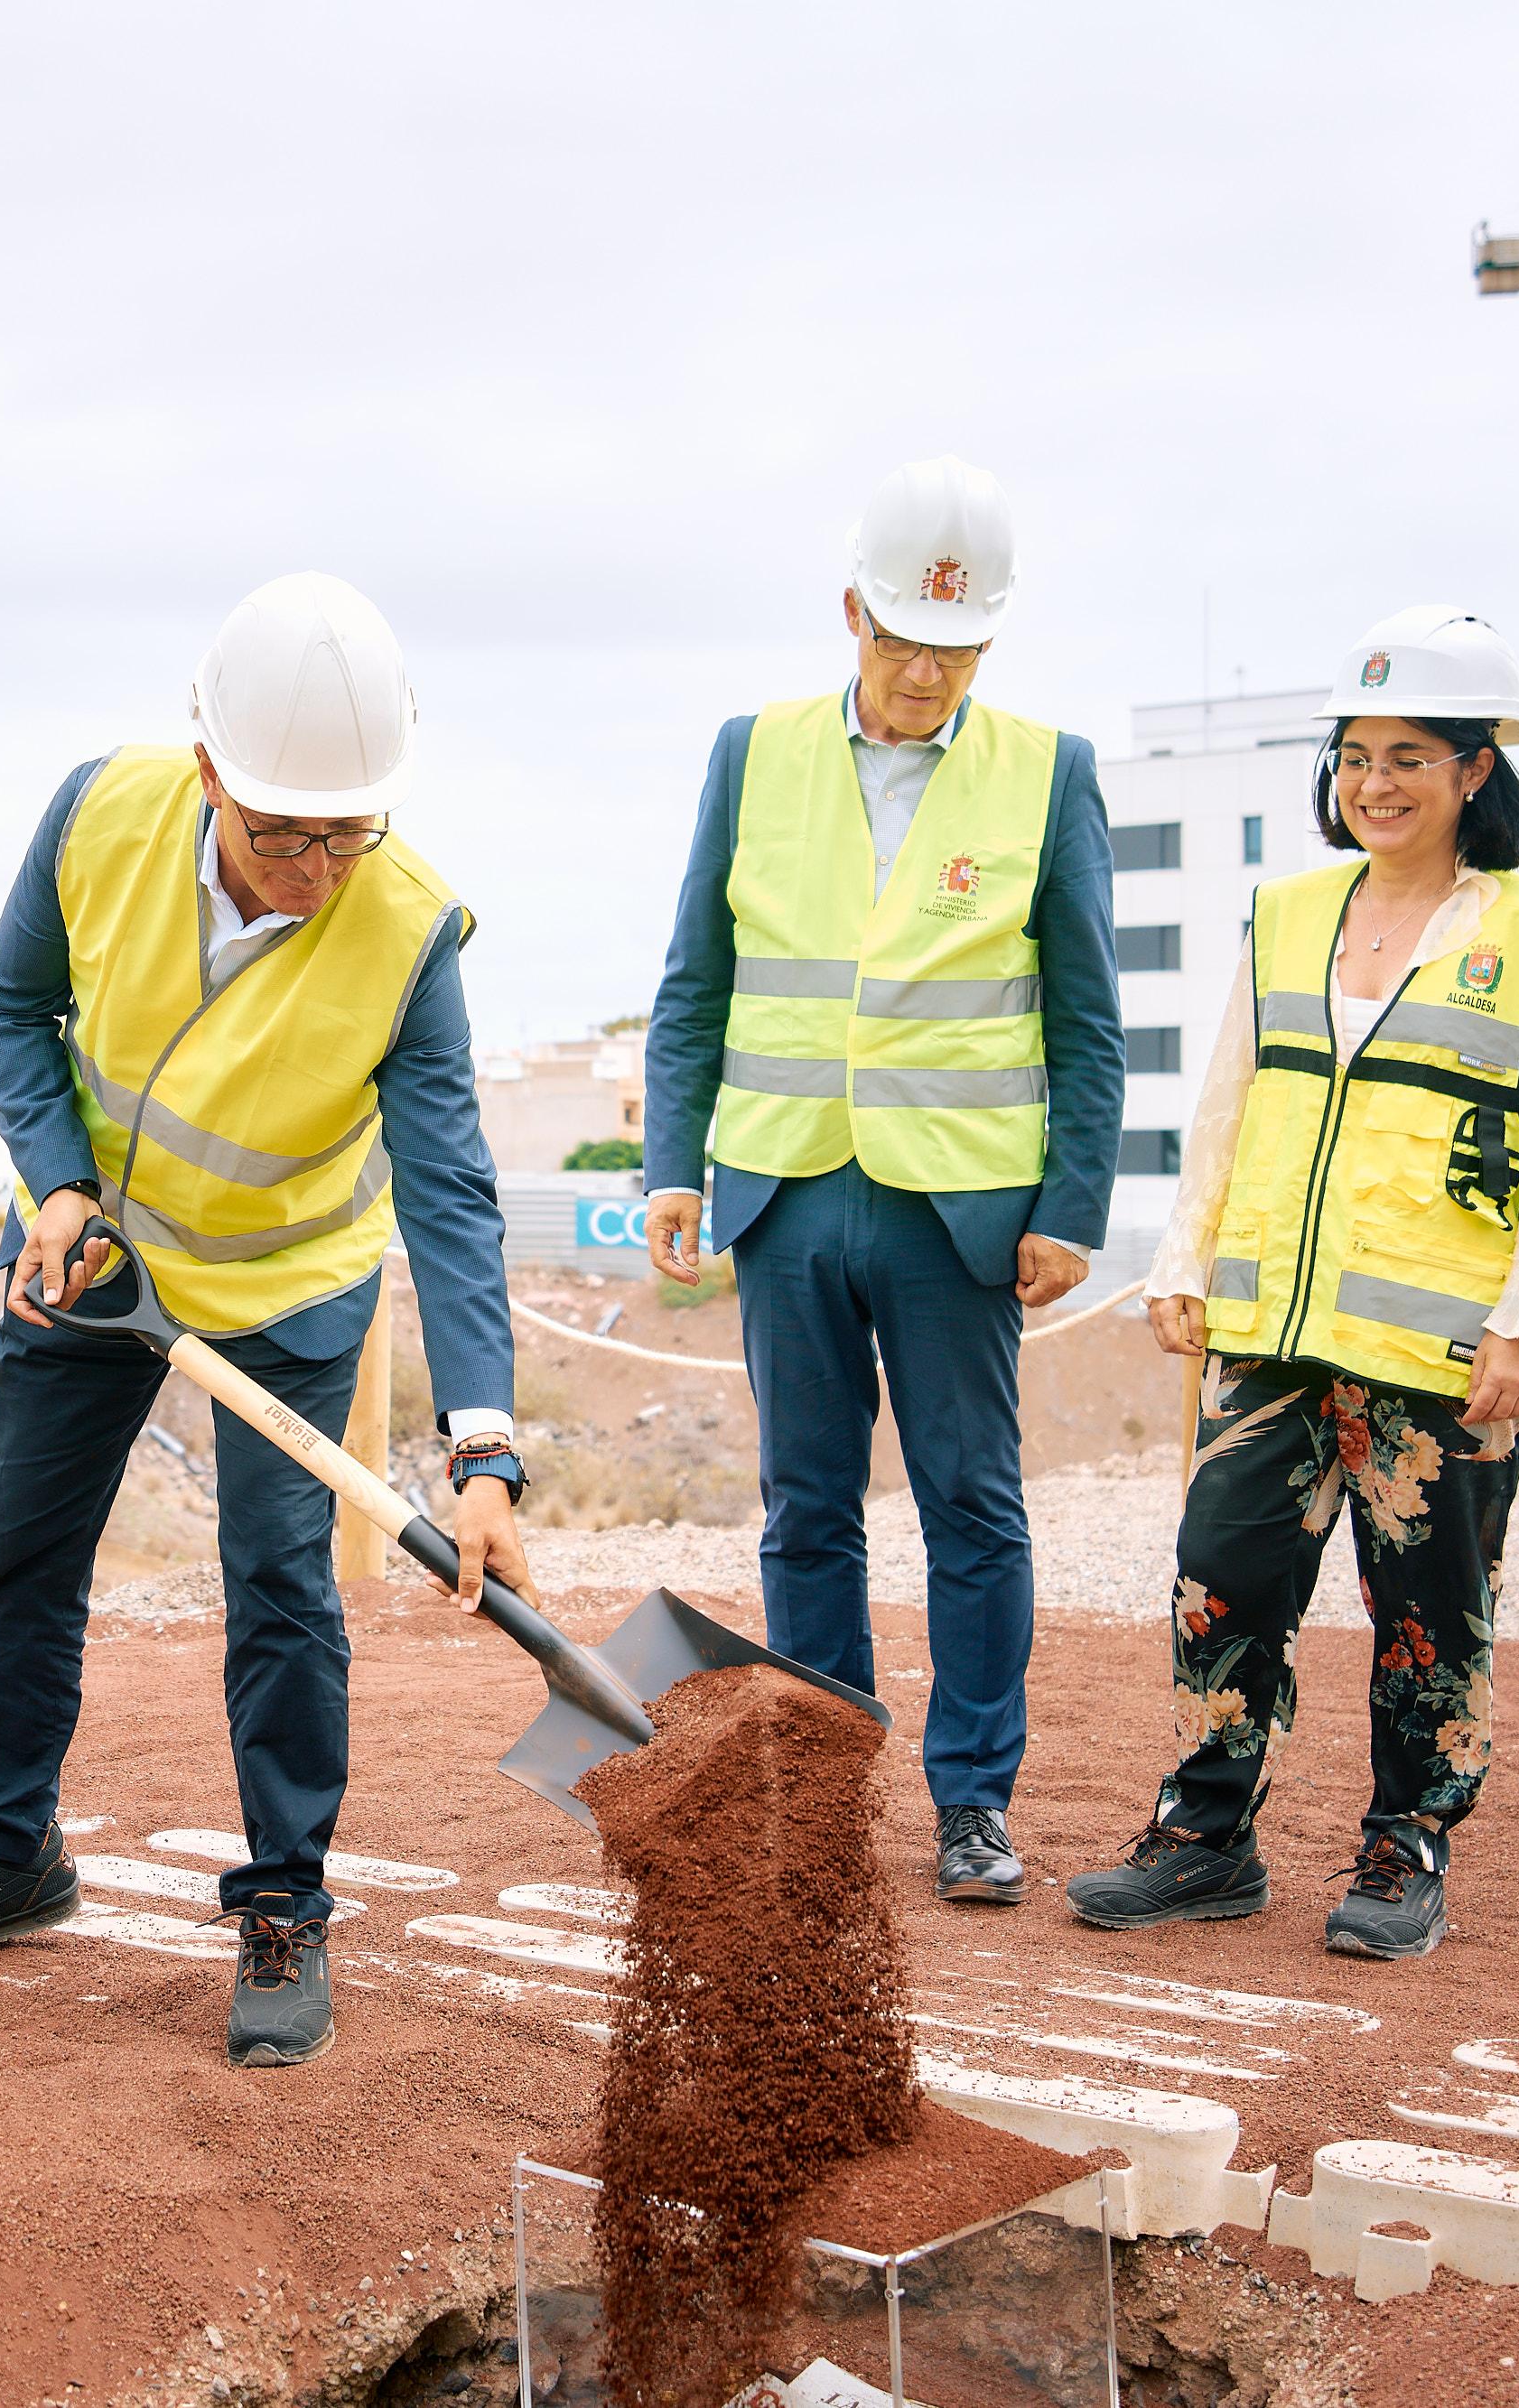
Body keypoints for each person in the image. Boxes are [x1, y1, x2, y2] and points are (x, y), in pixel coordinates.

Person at [0, 572, 536, 2069]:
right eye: (285, 831)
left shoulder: (410, 932)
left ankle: (284, 1899)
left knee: (282, 1590)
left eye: (350, 832)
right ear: (211, 769)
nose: (320, 867)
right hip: (95, 1263)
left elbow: (454, 1192)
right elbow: (15, 1012)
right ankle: (3, 1852)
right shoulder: (100, 818)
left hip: (288, 1289)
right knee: (23, 1558)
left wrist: (484, 1449)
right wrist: (56, 1185)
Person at [1065, 605, 1519, 1961]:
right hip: (1274, 1328)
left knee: (1428, 1612)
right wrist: (1184, 1257)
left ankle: (1404, 1848)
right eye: (1357, 754)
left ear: (1478, 770)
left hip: (1443, 1346)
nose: (1376, 782)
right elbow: (1227, 1102)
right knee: (1220, 1581)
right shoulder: (1291, 912)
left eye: (1411, 755)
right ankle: (1205, 1839)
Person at [642, 456, 1124, 1908]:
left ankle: (973, 1803)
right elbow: (696, 981)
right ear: (851, 613)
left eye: (959, 650)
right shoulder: (753, 751)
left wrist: (1071, 1209)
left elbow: (1086, 1015)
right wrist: (676, 1166)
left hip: (959, 1206)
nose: (928, 674)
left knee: (974, 1506)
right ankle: (826, 1785)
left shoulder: (1050, 771)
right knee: (805, 1507)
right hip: (785, 1194)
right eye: (906, 642)